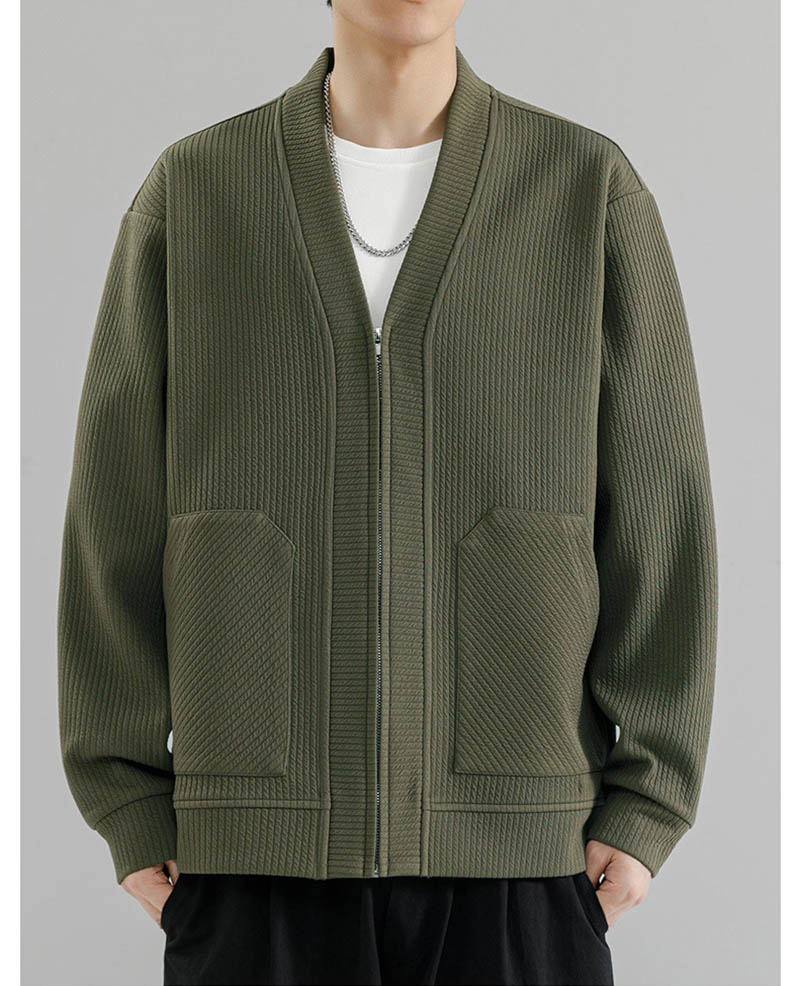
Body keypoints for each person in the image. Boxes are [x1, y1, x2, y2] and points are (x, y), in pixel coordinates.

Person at [56, 1, 719, 984]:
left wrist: (648, 799)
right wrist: (127, 797)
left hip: (520, 859)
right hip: (254, 862)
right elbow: (113, 517)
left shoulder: (584, 190)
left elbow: (662, 513)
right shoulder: (195, 192)